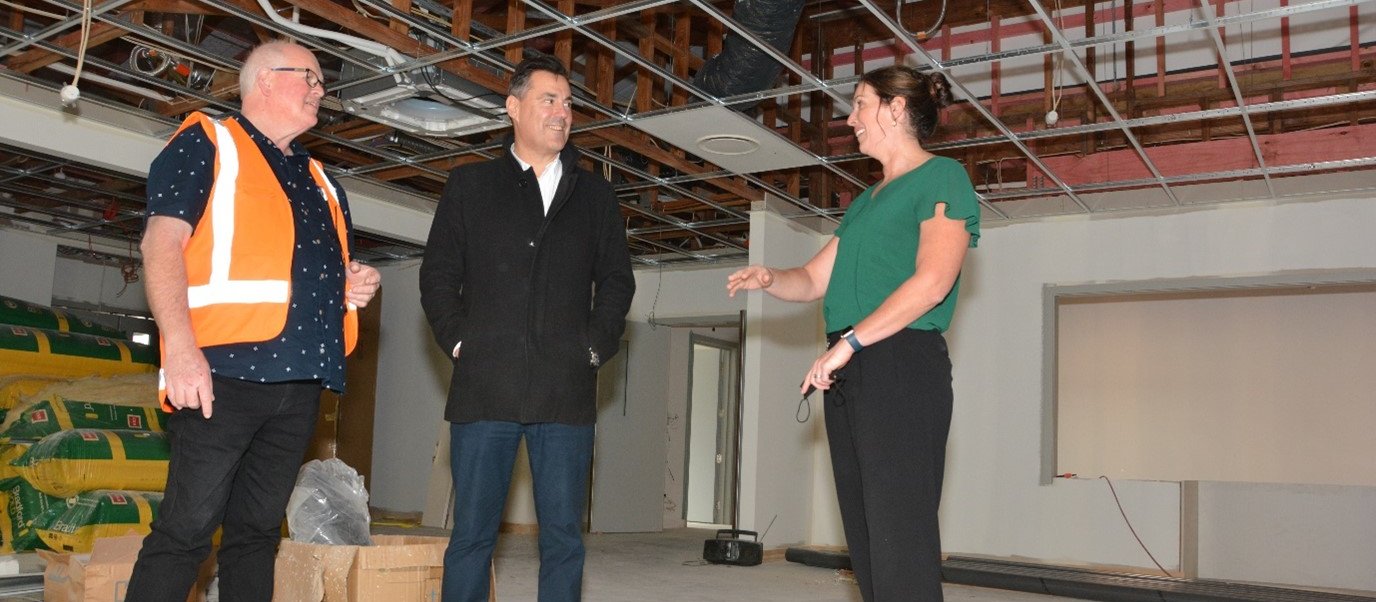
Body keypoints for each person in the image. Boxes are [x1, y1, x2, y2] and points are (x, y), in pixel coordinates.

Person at [128, 41, 381, 601]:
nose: (321, 89)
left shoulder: (321, 180)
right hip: (222, 377)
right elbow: (161, 245)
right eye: (310, 77)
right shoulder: (209, 142)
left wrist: (351, 284)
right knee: (185, 534)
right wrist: (180, 349)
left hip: (299, 385)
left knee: (256, 535)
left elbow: (301, 272)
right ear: (265, 80)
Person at [726, 65, 979, 601]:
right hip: (851, 367)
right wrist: (771, 277)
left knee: (900, 534)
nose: (850, 119)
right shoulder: (865, 203)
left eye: (861, 104)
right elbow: (815, 278)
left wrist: (850, 343)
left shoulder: (943, 178)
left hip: (901, 362)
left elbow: (932, 283)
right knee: (866, 537)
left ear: (896, 109)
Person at [419, 54, 635, 602]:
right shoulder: (469, 187)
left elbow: (617, 283)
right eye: (549, 100)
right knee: (471, 537)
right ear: (513, 108)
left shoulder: (595, 196)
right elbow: (438, 276)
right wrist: (460, 341)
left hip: (565, 394)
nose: (562, 112)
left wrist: (593, 348)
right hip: (483, 390)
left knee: (563, 539)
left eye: (568, 103)